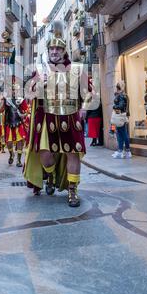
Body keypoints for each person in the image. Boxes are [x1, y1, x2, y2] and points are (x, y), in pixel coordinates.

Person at [23, 22, 90, 207]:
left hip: (70, 116)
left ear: (64, 51)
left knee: (72, 153)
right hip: (45, 117)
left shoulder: (76, 68)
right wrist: (38, 84)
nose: (54, 51)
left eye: (58, 48)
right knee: (44, 153)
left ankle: (72, 191)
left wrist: (84, 107)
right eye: (51, 48)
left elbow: (89, 91)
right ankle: (50, 175)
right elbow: (28, 94)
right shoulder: (41, 70)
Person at [0, 93, 29, 167]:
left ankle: (18, 160)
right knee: (9, 142)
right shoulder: (6, 99)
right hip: (9, 123)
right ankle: (11, 154)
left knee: (20, 141)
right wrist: (2, 100)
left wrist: (24, 115)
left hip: (18, 123)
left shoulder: (21, 99)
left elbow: (26, 110)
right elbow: (1, 110)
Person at [111, 81, 132, 159]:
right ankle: (124, 151)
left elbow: (121, 106)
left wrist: (114, 106)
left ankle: (124, 151)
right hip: (121, 116)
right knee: (121, 133)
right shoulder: (122, 95)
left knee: (122, 134)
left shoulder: (122, 96)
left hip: (120, 116)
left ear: (118, 87)